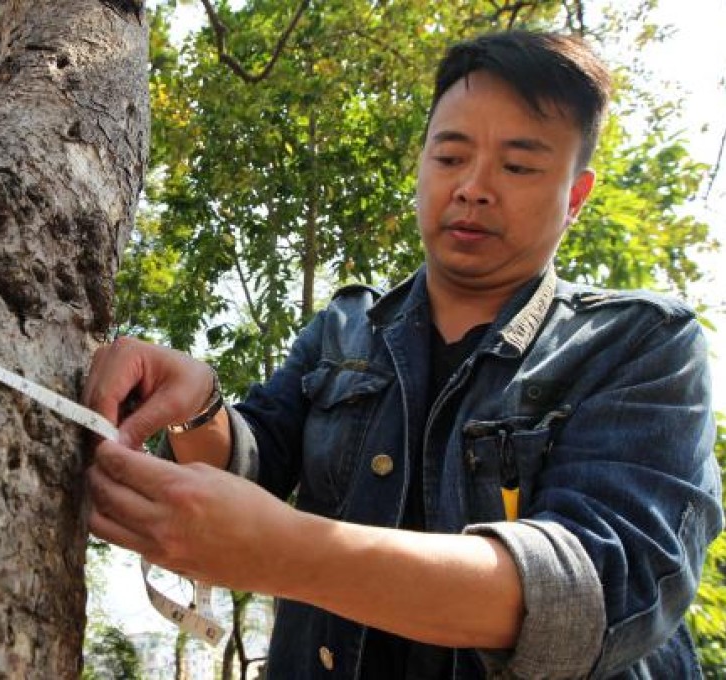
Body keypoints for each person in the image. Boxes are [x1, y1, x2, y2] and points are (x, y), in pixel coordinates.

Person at [82, 30, 723, 678]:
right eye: (449, 157)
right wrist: (196, 405)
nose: (474, 187)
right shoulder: (343, 329)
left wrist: (289, 553)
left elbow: (598, 590)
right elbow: (245, 468)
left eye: (519, 165)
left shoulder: (641, 345)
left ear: (576, 197)